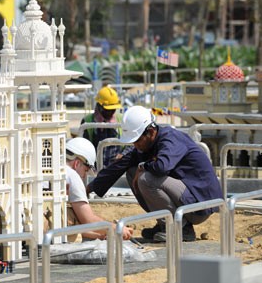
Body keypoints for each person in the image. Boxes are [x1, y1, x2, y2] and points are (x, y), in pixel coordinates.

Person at [86, 106, 222, 242]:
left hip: (200, 203)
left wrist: (143, 166)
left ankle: (181, 229)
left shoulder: (171, 139)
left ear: (150, 132)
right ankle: (164, 223)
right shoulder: (147, 144)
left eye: (138, 140)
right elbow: (119, 166)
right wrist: (89, 188)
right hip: (187, 199)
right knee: (132, 172)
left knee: (146, 178)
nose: (136, 145)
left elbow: (162, 166)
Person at [66, 137, 133, 241]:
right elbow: (88, 221)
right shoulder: (72, 176)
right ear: (77, 164)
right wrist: (118, 229)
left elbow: (72, 227)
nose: (84, 176)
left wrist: (100, 235)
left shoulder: (49, 166)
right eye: (85, 170)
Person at [81, 86, 126, 167]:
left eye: (113, 109)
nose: (111, 112)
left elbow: (131, 144)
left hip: (117, 167)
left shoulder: (121, 120)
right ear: (99, 106)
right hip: (95, 168)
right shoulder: (87, 122)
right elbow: (84, 149)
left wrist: (123, 155)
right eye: (108, 109)